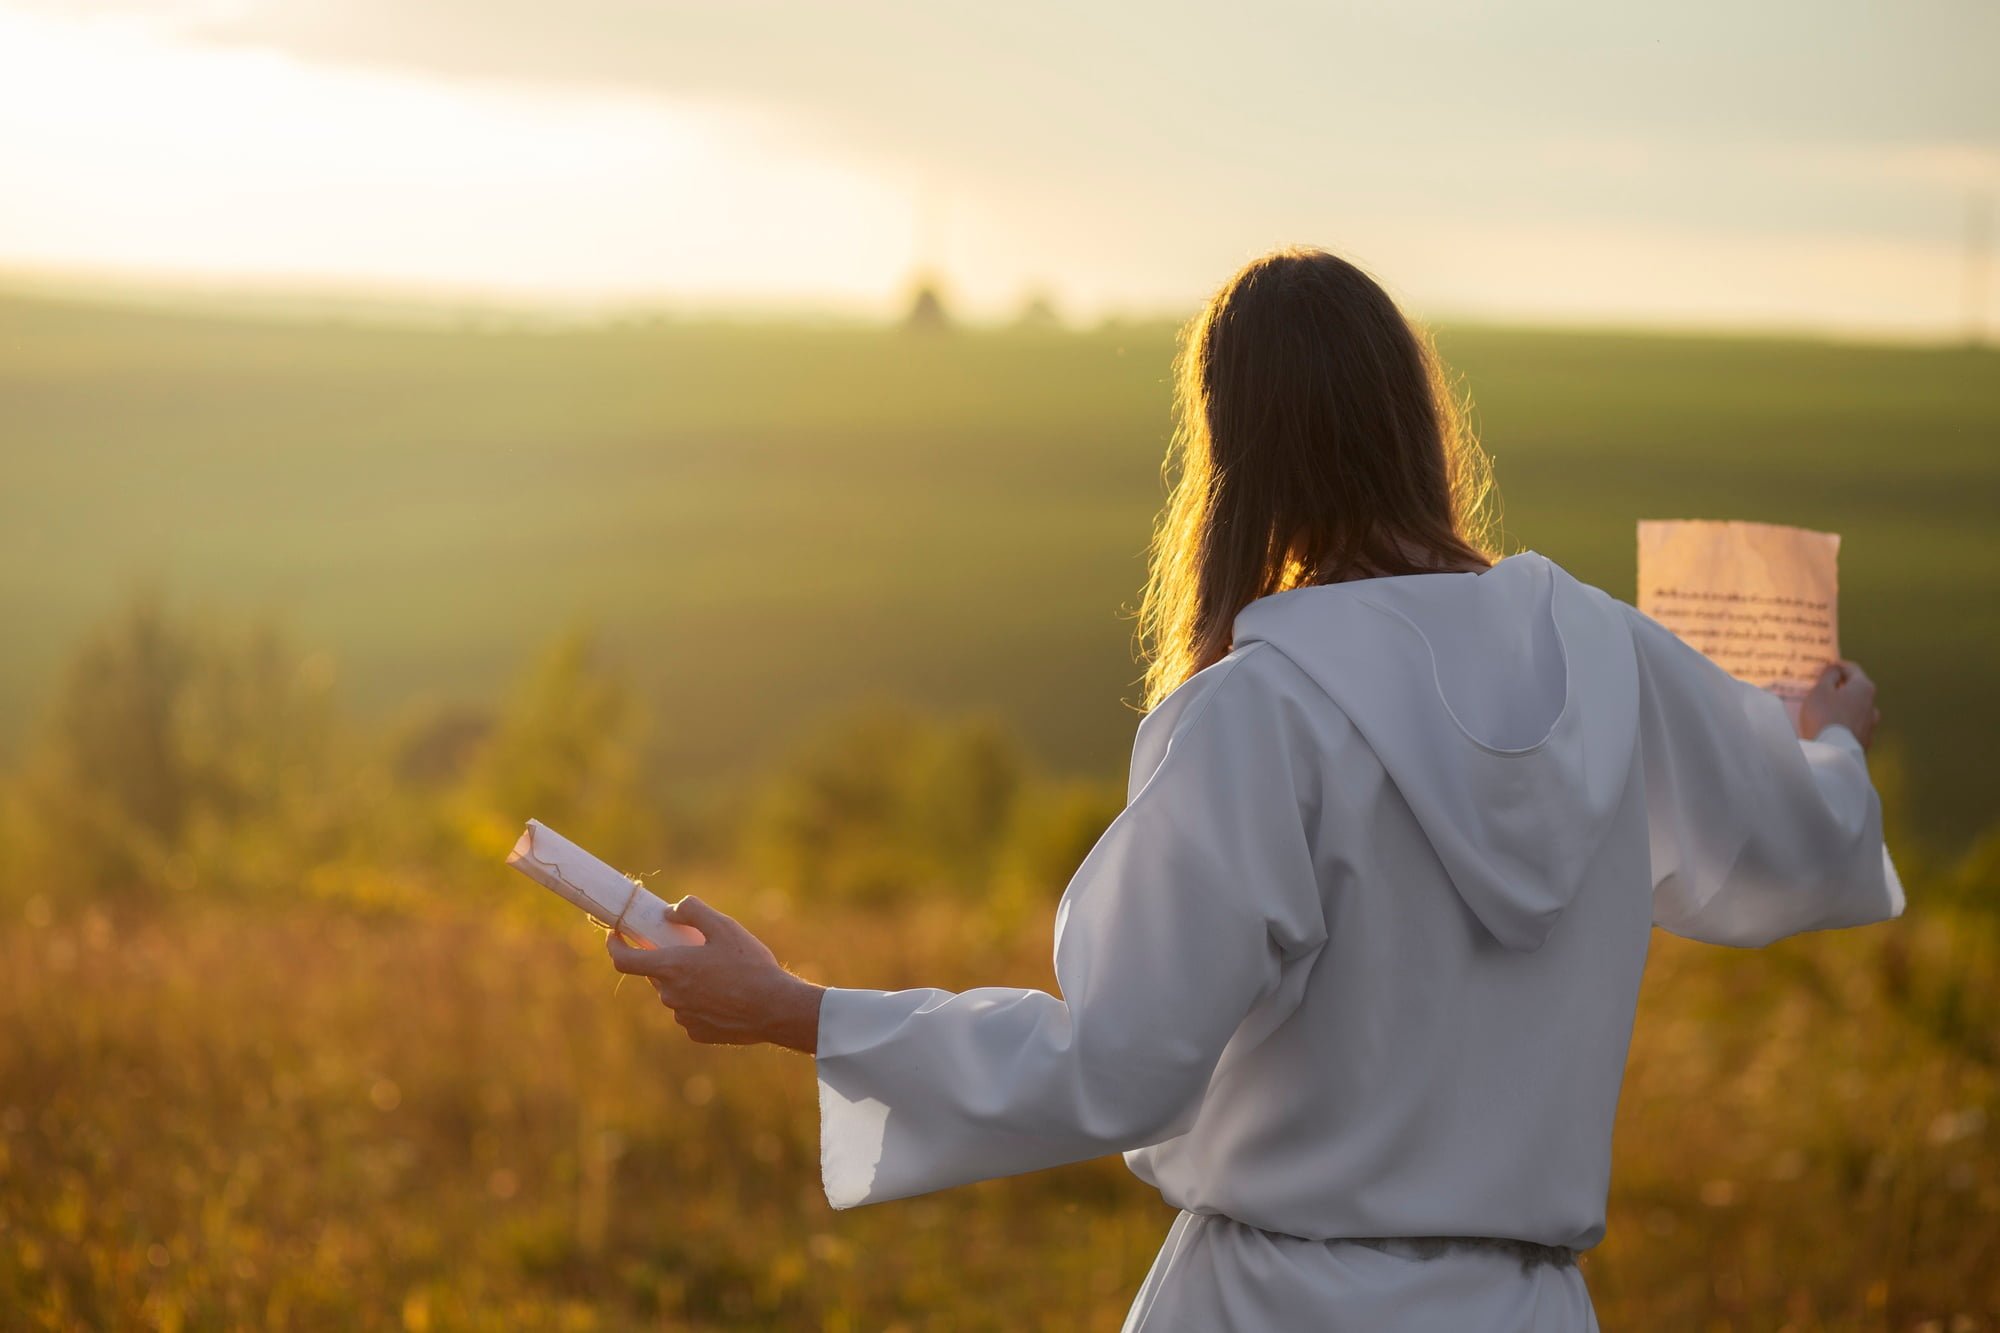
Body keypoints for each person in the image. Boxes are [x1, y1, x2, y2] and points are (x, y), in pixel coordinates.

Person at [606, 247, 1903, 1330]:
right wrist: (1824, 736)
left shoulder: (1256, 714)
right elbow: (1805, 835)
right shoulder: (1613, 659)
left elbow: (1113, 1065)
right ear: (1414, 421)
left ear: (1232, 448)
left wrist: (796, 1009)